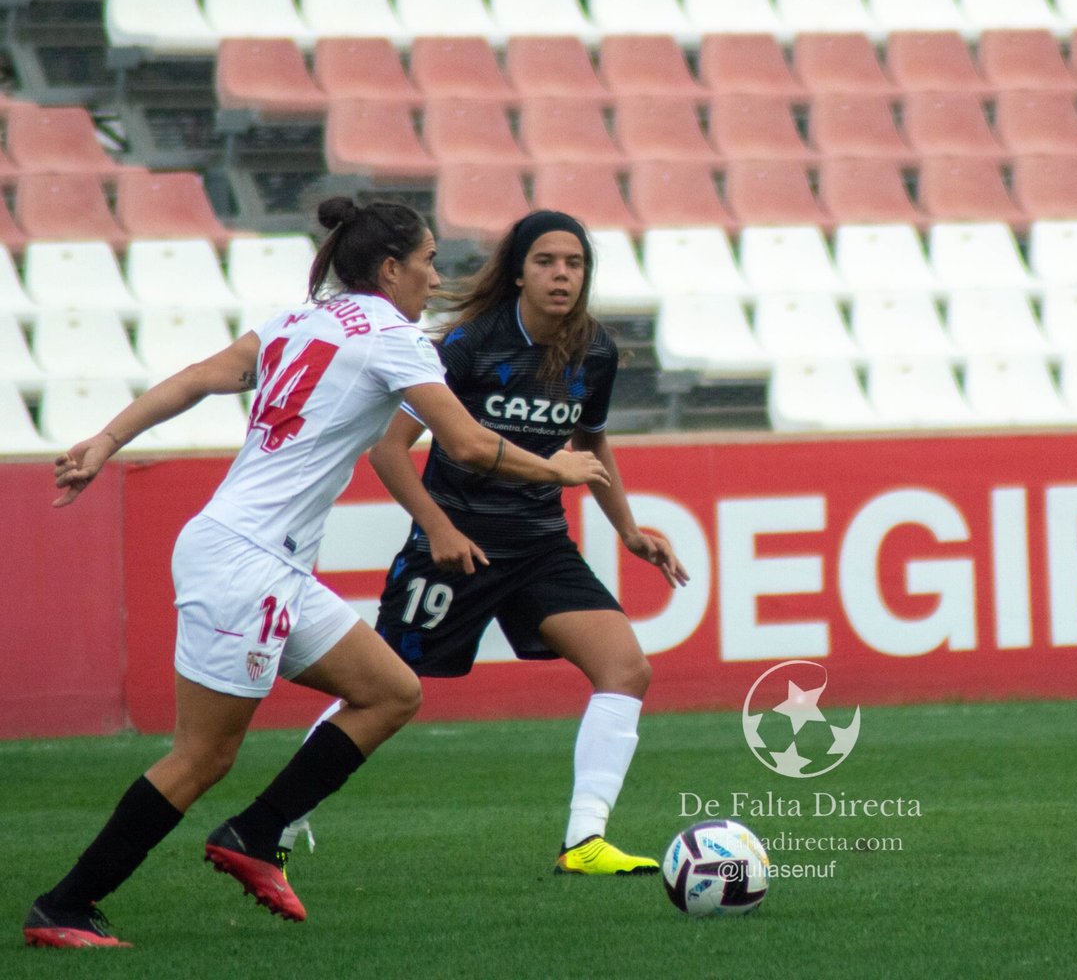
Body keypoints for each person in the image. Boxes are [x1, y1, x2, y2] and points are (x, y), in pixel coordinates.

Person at [24, 198, 610, 949]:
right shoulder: (397, 340)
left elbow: (201, 378)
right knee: (203, 756)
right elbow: (464, 444)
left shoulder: (299, 321)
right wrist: (553, 468)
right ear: (391, 268)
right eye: (428, 261)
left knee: (391, 692)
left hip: (258, 557)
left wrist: (108, 439)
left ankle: (256, 832)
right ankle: (65, 905)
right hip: (248, 563)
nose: (435, 278)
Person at [285, 210, 686, 877]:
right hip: (458, 544)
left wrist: (628, 530)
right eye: (547, 262)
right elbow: (388, 452)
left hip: (538, 544)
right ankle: (282, 818)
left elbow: (589, 444)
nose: (562, 275)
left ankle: (585, 841)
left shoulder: (595, 351)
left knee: (626, 670)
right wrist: (438, 528)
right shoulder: (471, 344)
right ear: (519, 272)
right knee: (383, 687)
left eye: (574, 264)